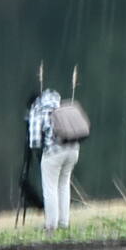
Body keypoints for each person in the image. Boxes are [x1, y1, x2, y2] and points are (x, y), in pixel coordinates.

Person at [27, 88, 80, 229]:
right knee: (63, 185)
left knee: (50, 189)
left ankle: (51, 226)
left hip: (54, 152)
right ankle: (64, 223)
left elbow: (34, 142)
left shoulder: (37, 110)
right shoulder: (60, 105)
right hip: (73, 150)